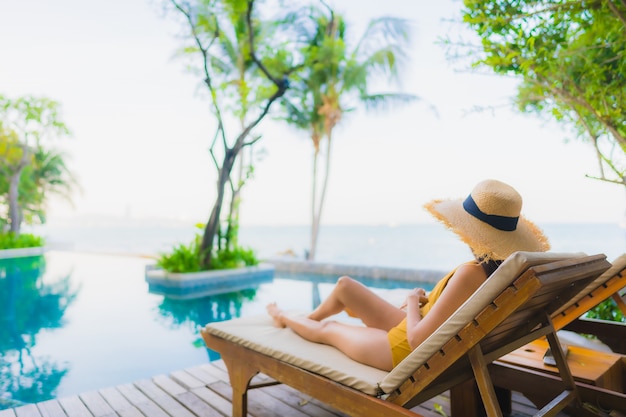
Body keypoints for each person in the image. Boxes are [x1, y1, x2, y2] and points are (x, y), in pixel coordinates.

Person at [267, 179, 551, 371]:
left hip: (401, 350)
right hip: (411, 329)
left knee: (329, 331)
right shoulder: (495, 274)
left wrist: (414, 299)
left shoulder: (470, 274)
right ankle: (307, 323)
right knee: (345, 287)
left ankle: (285, 318)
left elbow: (416, 341)